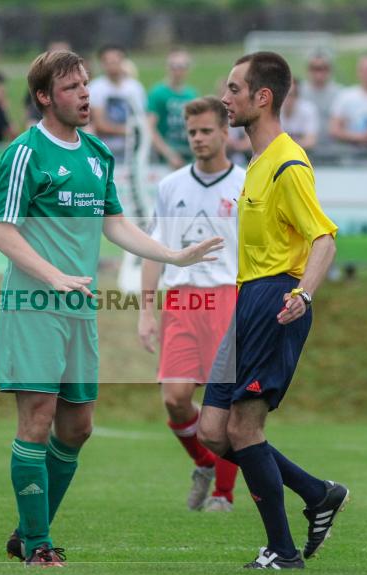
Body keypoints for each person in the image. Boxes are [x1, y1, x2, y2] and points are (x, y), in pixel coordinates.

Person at [0, 50, 223, 567]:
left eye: (86, 84)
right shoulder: (25, 153)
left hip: (80, 308)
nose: (85, 95)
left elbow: (115, 224)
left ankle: (30, 529)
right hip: (34, 305)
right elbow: (2, 233)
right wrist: (52, 276)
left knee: (77, 428)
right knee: (38, 418)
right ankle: (36, 544)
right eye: (72, 87)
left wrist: (172, 254)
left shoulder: (97, 153)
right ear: (45, 97)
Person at [200, 52, 348, 570]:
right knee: (212, 431)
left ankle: (283, 552)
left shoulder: (287, 163)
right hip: (248, 301)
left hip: (275, 299)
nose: (226, 97)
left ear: (262, 97)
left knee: (243, 430)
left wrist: (302, 294)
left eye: (234, 88)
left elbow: (324, 239)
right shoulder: (257, 164)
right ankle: (317, 493)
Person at [138, 96, 243, 512]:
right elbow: (152, 250)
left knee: (227, 408)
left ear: (224, 132)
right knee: (175, 398)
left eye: (205, 131)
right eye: (191, 132)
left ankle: (224, 493)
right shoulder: (170, 186)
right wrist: (146, 309)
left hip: (228, 300)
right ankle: (204, 464)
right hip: (181, 301)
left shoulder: (247, 186)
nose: (198, 139)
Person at [88, 45, 147, 162]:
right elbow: (99, 124)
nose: (112, 66)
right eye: (108, 62)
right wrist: (129, 130)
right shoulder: (95, 88)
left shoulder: (135, 88)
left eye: (116, 61)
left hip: (132, 149)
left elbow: (141, 118)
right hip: (105, 149)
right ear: (102, 63)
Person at [147, 49, 199, 168]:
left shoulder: (192, 94)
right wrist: (168, 154)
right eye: (173, 66)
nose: (177, 70)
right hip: (164, 156)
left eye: (182, 66)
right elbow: (150, 128)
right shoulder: (158, 93)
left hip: (188, 154)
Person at [300, 52, 340, 147]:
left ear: (329, 70)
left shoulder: (339, 94)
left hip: (333, 148)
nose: (319, 73)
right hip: (305, 147)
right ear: (308, 70)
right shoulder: (298, 92)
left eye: (323, 68)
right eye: (315, 68)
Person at [280, 79, 319, 152]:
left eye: (291, 95)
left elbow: (310, 142)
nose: (287, 99)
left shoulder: (308, 110)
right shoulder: (270, 110)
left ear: (297, 96)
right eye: (284, 94)